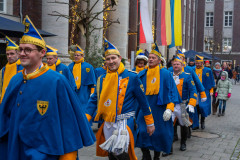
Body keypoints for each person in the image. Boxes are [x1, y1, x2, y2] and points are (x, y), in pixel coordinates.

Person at [0, 15, 95, 160]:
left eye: (28, 50)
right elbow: (4, 116)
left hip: (44, 152)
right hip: (16, 149)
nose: (22, 54)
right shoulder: (15, 79)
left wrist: (68, 155)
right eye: (20, 49)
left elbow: (68, 122)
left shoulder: (57, 80)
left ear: (42, 53)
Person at [85, 38, 155, 160]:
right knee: (111, 153)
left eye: (113, 58)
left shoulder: (132, 77)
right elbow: (94, 100)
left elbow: (143, 102)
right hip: (107, 122)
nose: (111, 61)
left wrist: (150, 123)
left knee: (122, 154)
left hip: (124, 123)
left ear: (120, 58)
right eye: (108, 59)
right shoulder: (102, 79)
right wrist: (86, 119)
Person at [136, 43, 181, 160]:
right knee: (142, 132)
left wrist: (169, 109)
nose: (150, 59)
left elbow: (172, 93)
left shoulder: (166, 74)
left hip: (160, 109)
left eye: (153, 58)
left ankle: (156, 156)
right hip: (144, 109)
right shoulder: (141, 74)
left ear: (159, 60)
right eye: (149, 57)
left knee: (159, 134)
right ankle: (145, 154)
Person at [168, 50, 206, 131]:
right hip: (172, 100)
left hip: (185, 97)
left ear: (183, 60)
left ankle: (187, 132)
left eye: (180, 59)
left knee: (186, 118)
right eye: (175, 62)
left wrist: (202, 93)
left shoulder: (189, 70)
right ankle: (173, 135)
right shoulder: (170, 70)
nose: (177, 63)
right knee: (171, 120)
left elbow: (196, 82)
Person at [171, 56, 197, 151]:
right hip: (171, 104)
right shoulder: (168, 75)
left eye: (178, 64)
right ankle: (169, 146)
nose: (176, 66)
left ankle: (183, 143)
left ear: (182, 65)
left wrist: (192, 103)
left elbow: (193, 90)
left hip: (183, 104)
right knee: (169, 124)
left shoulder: (187, 76)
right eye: (174, 64)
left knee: (184, 124)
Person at [68, 45, 96, 111]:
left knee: (83, 108)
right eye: (75, 55)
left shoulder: (88, 66)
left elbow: (92, 80)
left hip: (84, 91)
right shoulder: (70, 66)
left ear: (82, 56)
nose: (76, 56)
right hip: (73, 89)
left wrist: (92, 92)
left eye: (78, 55)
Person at [193, 55, 215, 129]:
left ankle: (202, 121)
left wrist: (211, 90)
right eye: (196, 63)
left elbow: (211, 81)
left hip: (204, 91)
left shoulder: (207, 70)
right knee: (195, 107)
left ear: (202, 63)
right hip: (195, 91)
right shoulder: (192, 69)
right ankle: (196, 123)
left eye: (198, 63)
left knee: (202, 107)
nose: (197, 64)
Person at [0, 36, 23, 103]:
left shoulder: (24, 68)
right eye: (7, 54)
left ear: (18, 54)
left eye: (12, 54)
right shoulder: (3, 70)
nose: (9, 56)